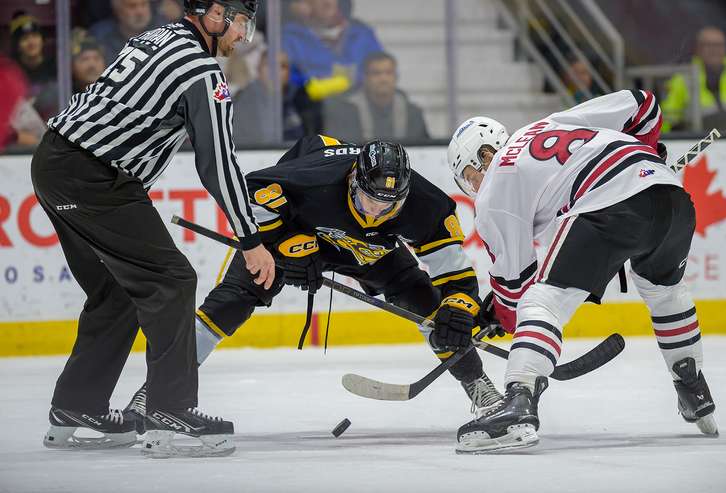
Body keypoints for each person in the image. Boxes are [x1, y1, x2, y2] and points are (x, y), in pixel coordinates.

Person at [123, 136, 506, 430]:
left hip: (373, 252)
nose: (376, 211)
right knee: (232, 300)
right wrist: (286, 244)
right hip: (296, 236)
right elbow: (248, 194)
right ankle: (155, 394)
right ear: (354, 178)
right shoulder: (316, 178)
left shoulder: (426, 204)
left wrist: (458, 306)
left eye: (388, 206)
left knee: (433, 308)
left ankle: (483, 392)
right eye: (370, 201)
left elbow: (452, 269)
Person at [31, 0, 274, 458]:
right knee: (173, 280)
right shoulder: (202, 71)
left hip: (53, 161)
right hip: (95, 177)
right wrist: (251, 239)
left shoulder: (154, 37)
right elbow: (218, 164)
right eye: (242, 23)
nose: (245, 36)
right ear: (215, 13)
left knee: (116, 291)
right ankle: (171, 408)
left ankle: (77, 406)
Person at [447, 90, 717, 454]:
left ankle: (518, 401)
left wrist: (502, 316)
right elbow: (644, 104)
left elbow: (516, 288)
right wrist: (646, 150)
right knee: (664, 290)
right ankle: (693, 387)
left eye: (468, 175)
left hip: (607, 203)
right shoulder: (552, 123)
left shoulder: (494, 187)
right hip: (671, 195)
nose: (473, 186)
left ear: (484, 154)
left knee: (543, 302)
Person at [282, 0, 383, 101]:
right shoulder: (291, 38)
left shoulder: (362, 34)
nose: (327, 2)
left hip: (359, 108)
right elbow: (289, 80)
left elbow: (381, 73)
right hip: (313, 109)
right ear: (305, 4)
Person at [323, 51, 429, 143]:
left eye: (388, 73)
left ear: (396, 77)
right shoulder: (343, 112)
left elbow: (424, 150)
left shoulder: (413, 113)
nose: (383, 79)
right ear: (365, 78)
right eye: (376, 73)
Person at [232, 50, 320, 146]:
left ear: (289, 73)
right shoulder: (244, 101)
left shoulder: (302, 100)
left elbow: (314, 137)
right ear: (258, 70)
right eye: (269, 65)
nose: (275, 71)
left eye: (282, 66)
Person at [662, 26, 726, 131]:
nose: (714, 50)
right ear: (697, 48)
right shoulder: (681, 81)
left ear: (725, 48)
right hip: (699, 144)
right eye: (708, 45)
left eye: (719, 45)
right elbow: (665, 123)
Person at [9, 11, 58, 121]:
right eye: (25, 38)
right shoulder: (12, 71)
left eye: (35, 36)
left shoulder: (55, 66)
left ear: (42, 40)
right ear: (17, 45)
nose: (31, 42)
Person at [89, 0, 166, 64]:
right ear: (118, 10)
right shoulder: (101, 36)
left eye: (144, 4)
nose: (140, 12)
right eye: (132, 6)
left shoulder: (163, 29)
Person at [70, 29, 107, 94]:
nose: (92, 65)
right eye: (85, 59)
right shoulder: (62, 94)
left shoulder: (116, 93)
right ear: (72, 66)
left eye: (96, 58)